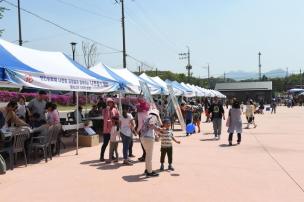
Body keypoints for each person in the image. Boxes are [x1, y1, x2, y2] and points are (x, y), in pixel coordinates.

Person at [141, 108, 164, 177]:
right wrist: (159, 129)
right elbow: (151, 125)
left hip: (143, 137)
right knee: (149, 156)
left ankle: (147, 169)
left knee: (147, 155)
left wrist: (156, 134)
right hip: (148, 138)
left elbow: (149, 127)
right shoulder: (154, 117)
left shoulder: (147, 117)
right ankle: (149, 172)